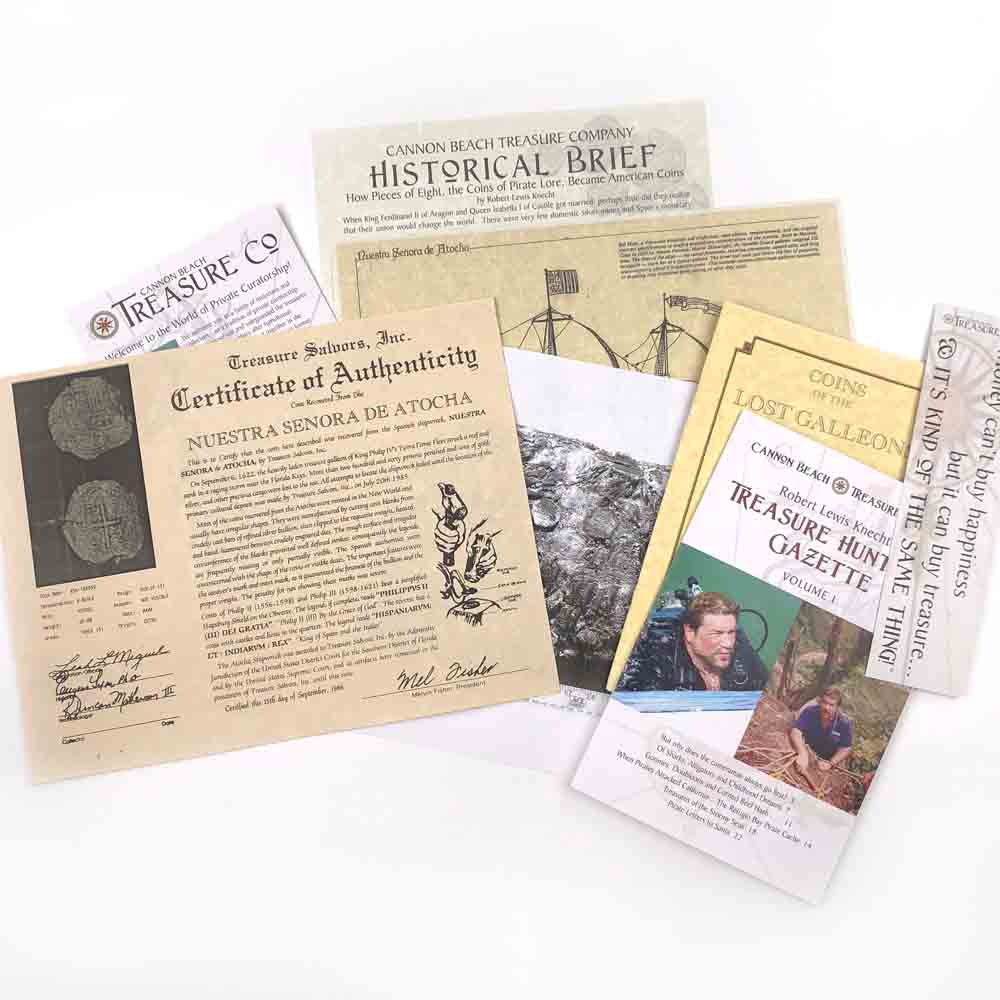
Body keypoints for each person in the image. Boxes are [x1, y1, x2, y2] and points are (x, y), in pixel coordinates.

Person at [617, 591, 767, 692]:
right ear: (689, 632)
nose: (728, 644)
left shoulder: (742, 651)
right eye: (717, 634)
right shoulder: (658, 655)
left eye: (731, 632)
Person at [791, 687, 853, 774]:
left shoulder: (844, 723)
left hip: (826, 760)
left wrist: (831, 763)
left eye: (831, 705)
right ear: (820, 701)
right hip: (809, 750)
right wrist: (803, 753)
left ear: (837, 707)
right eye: (824, 702)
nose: (826, 707)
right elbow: (796, 731)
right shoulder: (810, 711)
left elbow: (846, 748)